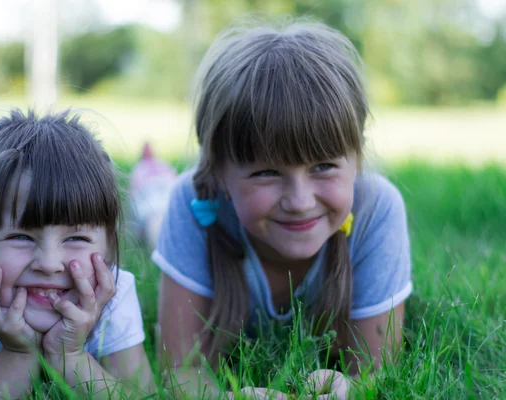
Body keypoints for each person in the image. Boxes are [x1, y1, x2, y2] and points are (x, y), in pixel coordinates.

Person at [153, 18, 412, 399]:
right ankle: (151, 182)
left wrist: (351, 388)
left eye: (322, 166)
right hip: (183, 206)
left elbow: (377, 371)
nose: (300, 201)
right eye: (267, 172)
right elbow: (179, 370)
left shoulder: (378, 208)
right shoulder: (191, 202)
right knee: (154, 214)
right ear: (218, 170)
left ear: (356, 157)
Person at [0, 109, 154, 399]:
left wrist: (69, 356)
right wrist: (19, 354)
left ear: (110, 245)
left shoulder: (113, 292)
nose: (49, 265)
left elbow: (144, 396)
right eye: (20, 236)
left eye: (76, 238)